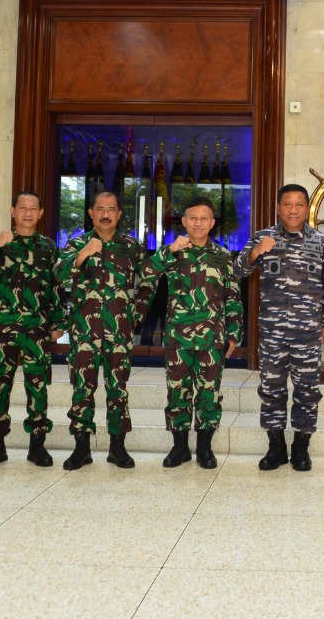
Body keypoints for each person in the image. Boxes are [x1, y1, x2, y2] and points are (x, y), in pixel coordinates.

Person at [234, 184, 324, 472]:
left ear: (307, 208)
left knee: (307, 389)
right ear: (279, 208)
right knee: (271, 389)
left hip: (308, 331)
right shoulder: (263, 237)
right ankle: (276, 447)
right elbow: (238, 271)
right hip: (272, 331)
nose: (293, 210)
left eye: (299, 204)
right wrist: (256, 251)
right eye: (287, 204)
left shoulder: (321, 242)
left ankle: (301, 447)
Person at [141, 197, 244, 470]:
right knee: (178, 393)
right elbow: (145, 274)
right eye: (192, 218)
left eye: (204, 219)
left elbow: (232, 298)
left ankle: (204, 448)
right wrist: (168, 251)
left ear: (212, 224)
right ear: (184, 221)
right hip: (178, 338)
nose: (198, 223)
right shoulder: (173, 252)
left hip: (212, 338)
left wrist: (234, 334)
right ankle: (179, 448)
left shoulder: (222, 257)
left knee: (209, 394)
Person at [0, 190, 64, 469]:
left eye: (33, 208)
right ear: (13, 211)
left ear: (41, 213)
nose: (27, 213)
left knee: (38, 387)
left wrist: (58, 324)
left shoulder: (48, 247)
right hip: (4, 330)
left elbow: (55, 288)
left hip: (37, 330)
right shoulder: (0, 242)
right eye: (22, 207)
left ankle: (37, 446)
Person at [58, 190, 147, 471]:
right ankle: (81, 448)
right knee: (82, 388)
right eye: (100, 209)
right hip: (84, 332)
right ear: (91, 213)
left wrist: (136, 314)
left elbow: (148, 281)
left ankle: (117, 448)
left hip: (119, 332)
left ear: (119, 214)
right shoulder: (76, 243)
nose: (106, 213)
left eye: (111, 209)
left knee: (117, 388)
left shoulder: (132, 246)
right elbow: (57, 277)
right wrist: (82, 255)